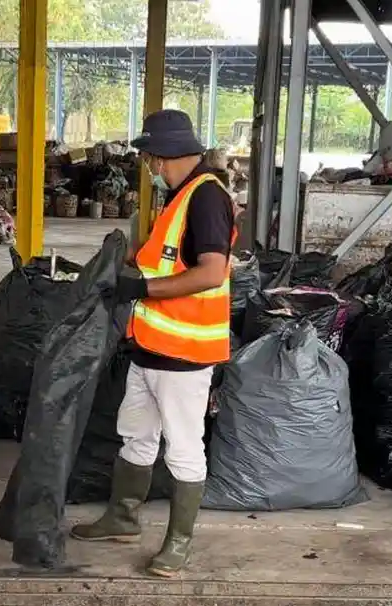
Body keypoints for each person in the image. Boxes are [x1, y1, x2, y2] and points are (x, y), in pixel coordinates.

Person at [71, 109, 235, 578]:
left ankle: (178, 544)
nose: (148, 167)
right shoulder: (181, 196)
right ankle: (122, 518)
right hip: (150, 346)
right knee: (136, 432)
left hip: (184, 354)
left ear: (162, 157)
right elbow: (163, 257)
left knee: (183, 446)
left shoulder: (206, 198)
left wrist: (141, 289)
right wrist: (120, 261)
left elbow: (210, 272)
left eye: (148, 158)